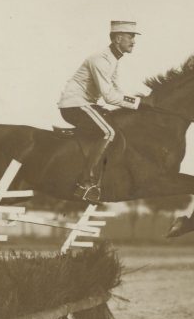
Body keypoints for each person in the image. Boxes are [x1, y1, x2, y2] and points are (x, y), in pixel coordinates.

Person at [57, 20, 150, 203]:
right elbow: (109, 97)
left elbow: (116, 91)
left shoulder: (113, 60)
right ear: (117, 38)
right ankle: (86, 184)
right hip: (75, 105)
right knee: (109, 132)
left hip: (86, 104)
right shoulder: (100, 60)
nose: (133, 41)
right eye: (130, 37)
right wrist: (138, 103)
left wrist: (139, 102)